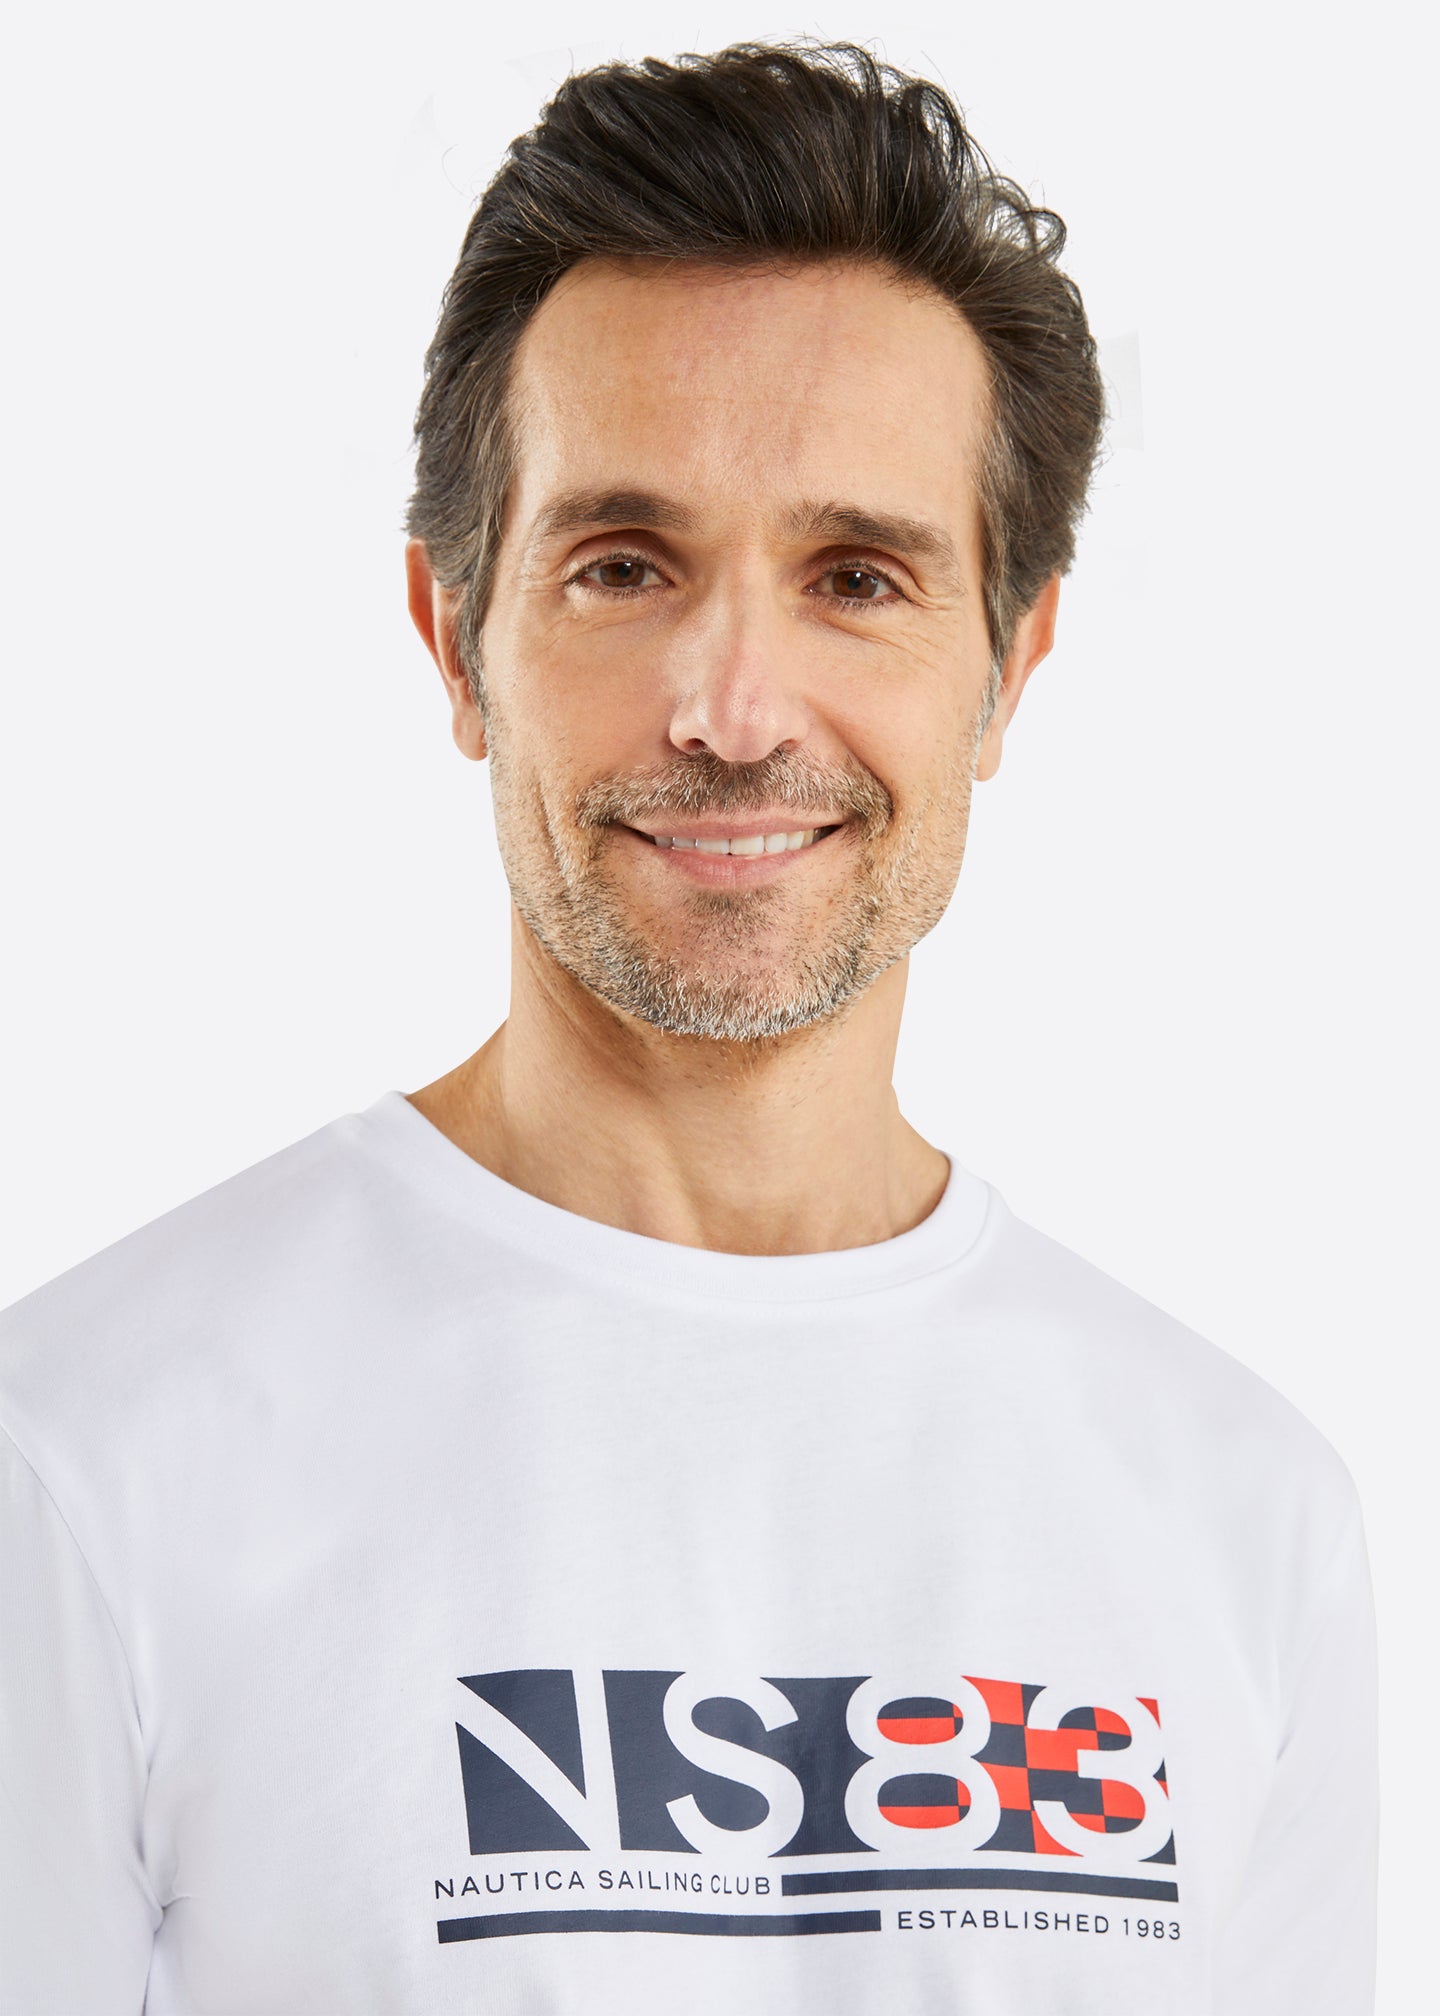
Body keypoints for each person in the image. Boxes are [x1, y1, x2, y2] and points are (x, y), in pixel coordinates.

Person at [0, 39, 1376, 2016]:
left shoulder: (1248, 1521)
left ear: (1011, 663)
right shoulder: (80, 1462)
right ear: (457, 637)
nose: (734, 708)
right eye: (625, 567)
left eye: (857, 576)